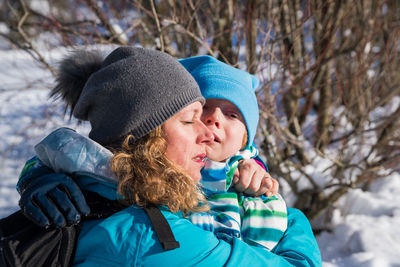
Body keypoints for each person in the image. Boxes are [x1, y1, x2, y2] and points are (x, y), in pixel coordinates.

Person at [17, 46, 321, 266]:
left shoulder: (104, 194)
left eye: (231, 115)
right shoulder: (154, 236)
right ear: (146, 136)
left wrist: (40, 173)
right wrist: (293, 219)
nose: (207, 129)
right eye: (191, 119)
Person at [177, 55, 287, 251]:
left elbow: (267, 252)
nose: (214, 118)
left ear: (245, 140)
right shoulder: (162, 172)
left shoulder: (253, 186)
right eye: (204, 107)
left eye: (231, 114)